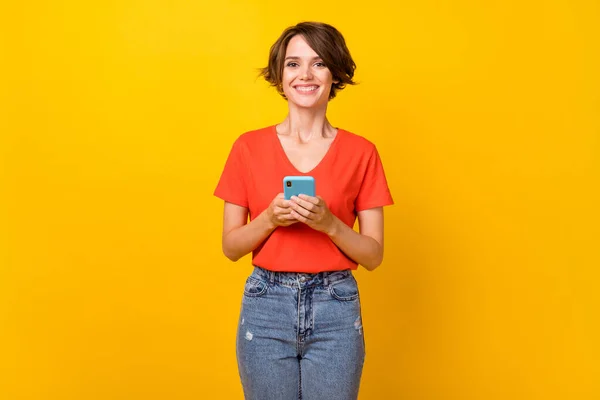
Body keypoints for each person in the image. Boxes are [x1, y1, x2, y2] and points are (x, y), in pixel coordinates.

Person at [214, 21, 394, 400]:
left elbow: (374, 255)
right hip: (266, 304)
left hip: (337, 306)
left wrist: (330, 225)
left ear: (335, 73)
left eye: (319, 63)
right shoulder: (247, 148)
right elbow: (231, 248)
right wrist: (269, 219)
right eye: (293, 64)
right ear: (280, 75)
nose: (306, 75)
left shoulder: (362, 152)